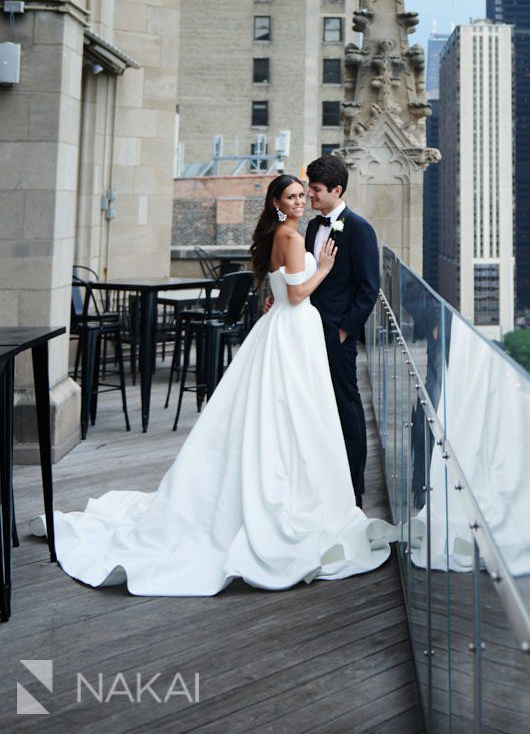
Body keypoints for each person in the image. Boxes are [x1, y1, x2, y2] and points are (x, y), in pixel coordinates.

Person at [32, 174, 392, 595]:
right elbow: (298, 294)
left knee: (288, 410)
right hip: (295, 328)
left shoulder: (289, 232)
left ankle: (305, 487)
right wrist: (324, 268)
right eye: (293, 195)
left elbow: (296, 285)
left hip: (291, 330)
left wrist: (311, 304)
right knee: (295, 410)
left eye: (304, 194)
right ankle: (294, 494)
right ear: (278, 202)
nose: (301, 200)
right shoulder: (296, 236)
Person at [302, 153, 380, 508]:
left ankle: (354, 490)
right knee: (314, 406)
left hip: (336, 336)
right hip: (305, 331)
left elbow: (369, 288)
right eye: (308, 187)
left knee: (346, 407)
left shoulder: (360, 229)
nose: (309, 195)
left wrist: (345, 331)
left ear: (337, 189)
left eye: (316, 189)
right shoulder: (312, 227)